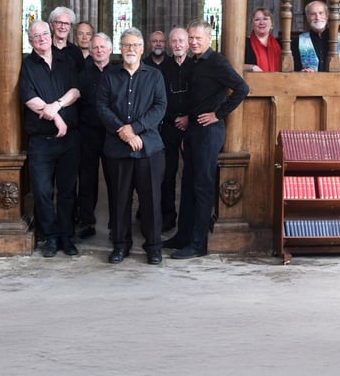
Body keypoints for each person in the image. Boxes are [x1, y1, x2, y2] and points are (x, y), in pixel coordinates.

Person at [164, 20, 249, 259]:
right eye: (190, 37)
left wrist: (218, 114)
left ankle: (197, 244)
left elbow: (242, 88)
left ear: (208, 38)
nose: (192, 42)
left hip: (209, 132)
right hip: (193, 130)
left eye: (197, 38)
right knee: (188, 184)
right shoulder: (194, 62)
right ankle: (183, 236)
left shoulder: (217, 61)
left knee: (202, 186)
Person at [97, 28, 167, 265]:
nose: (131, 49)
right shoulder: (109, 76)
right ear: (120, 47)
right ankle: (120, 245)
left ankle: (154, 246)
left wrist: (135, 129)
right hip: (118, 149)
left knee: (151, 200)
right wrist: (124, 133)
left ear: (142, 48)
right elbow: (102, 107)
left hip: (149, 148)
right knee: (119, 200)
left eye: (135, 45)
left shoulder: (154, 75)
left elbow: (160, 107)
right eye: (126, 45)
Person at [19, 20, 81, 258]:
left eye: (45, 33)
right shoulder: (27, 65)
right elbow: (29, 99)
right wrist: (56, 119)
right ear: (30, 40)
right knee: (43, 191)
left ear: (51, 34)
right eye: (36, 36)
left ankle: (66, 236)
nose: (42, 38)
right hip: (41, 140)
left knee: (67, 190)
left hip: (69, 140)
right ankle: (51, 237)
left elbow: (76, 91)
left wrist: (55, 107)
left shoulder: (66, 60)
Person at [75, 32, 113, 240]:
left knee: (114, 179)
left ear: (109, 49)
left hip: (111, 134)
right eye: (95, 47)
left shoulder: (117, 73)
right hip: (87, 133)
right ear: (90, 51)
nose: (99, 50)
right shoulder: (82, 74)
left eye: (102, 47)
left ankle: (116, 221)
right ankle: (86, 221)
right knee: (87, 179)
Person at [158, 26, 194, 232]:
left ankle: (188, 219)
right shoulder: (162, 70)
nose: (178, 45)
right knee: (167, 174)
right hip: (169, 127)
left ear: (188, 43)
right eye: (174, 41)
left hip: (191, 126)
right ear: (169, 45)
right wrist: (175, 118)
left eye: (182, 41)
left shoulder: (195, 67)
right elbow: (160, 100)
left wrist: (188, 118)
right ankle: (168, 216)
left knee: (191, 174)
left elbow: (200, 97)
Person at [293, 1, 340, 72]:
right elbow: (293, 68)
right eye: (313, 14)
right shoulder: (299, 40)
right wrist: (302, 71)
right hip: (309, 82)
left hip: (337, 81)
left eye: (321, 13)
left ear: (327, 16)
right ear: (307, 18)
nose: (317, 17)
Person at [244, 8, 281, 72]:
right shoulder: (244, 43)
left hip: (277, 80)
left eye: (265, 19)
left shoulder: (280, 45)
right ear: (252, 25)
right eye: (257, 20)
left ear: (271, 24)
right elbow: (234, 66)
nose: (261, 23)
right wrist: (251, 67)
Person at [48, 6, 84, 71]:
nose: (63, 27)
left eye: (67, 23)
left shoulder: (76, 52)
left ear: (70, 27)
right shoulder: (44, 48)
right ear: (51, 25)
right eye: (59, 22)